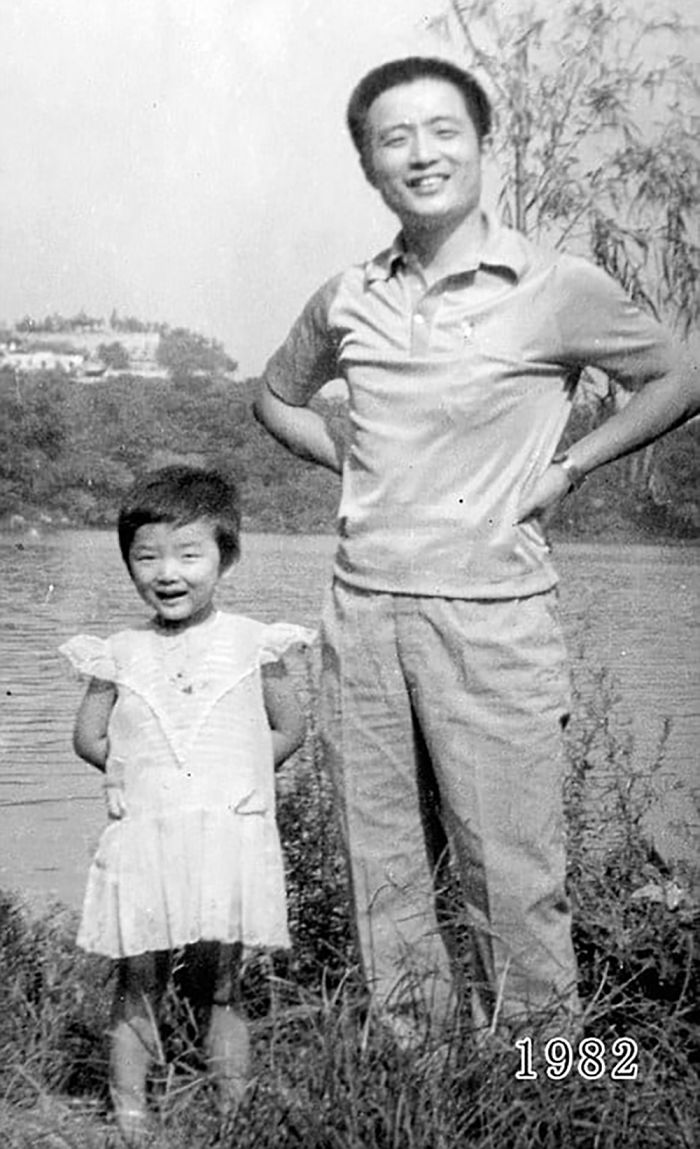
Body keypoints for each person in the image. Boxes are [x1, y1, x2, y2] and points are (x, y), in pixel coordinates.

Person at [253, 56, 699, 1048]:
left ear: (482, 144)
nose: (422, 154)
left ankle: (554, 1086)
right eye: (394, 139)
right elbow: (276, 397)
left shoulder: (554, 287)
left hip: (492, 619)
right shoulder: (347, 297)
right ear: (368, 165)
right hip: (361, 618)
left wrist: (574, 464)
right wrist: (353, 458)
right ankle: (419, 1084)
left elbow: (679, 371)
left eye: (443, 130)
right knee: (387, 877)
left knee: (513, 878)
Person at [59, 464, 313, 1141]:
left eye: (188, 554)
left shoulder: (253, 643)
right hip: (147, 835)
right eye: (147, 556)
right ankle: (131, 1112)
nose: (168, 572)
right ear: (129, 563)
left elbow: (288, 727)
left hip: (226, 835)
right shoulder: (119, 651)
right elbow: (89, 735)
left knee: (222, 981)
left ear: (224, 558)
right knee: (137, 977)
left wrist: (239, 780)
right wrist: (135, 775)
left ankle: (233, 1106)